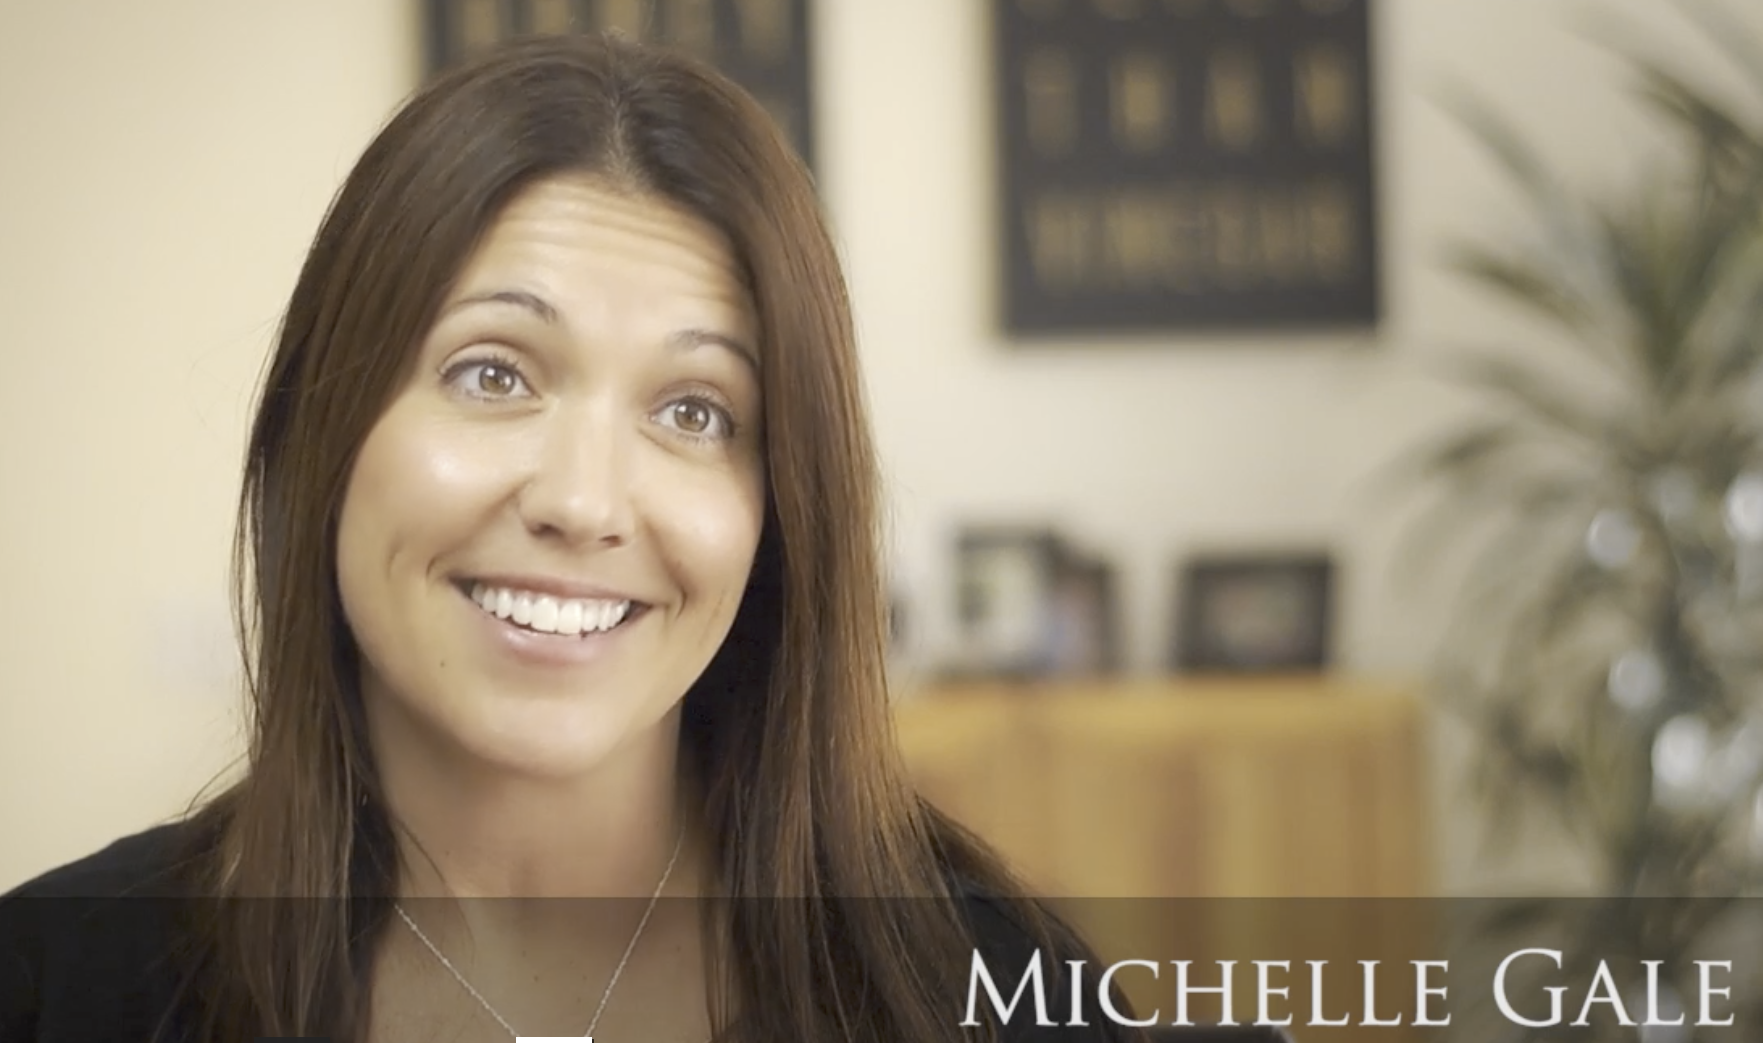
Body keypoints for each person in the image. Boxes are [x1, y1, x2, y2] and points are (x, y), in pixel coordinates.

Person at [0, 30, 1141, 1043]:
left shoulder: (997, 992)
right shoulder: (53, 982)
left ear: (780, 511)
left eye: (693, 411)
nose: (585, 502)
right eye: (492, 373)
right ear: (323, 430)